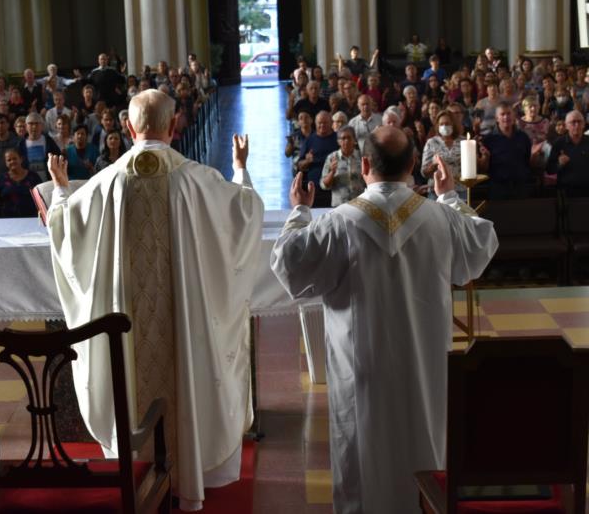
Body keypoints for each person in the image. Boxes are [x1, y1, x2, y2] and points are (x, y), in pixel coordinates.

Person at [46, 89, 263, 511]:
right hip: (184, 334)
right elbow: (244, 214)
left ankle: (138, 470)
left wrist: (58, 191)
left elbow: (66, 230)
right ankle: (187, 475)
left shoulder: (106, 184)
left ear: (128, 128)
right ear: (174, 124)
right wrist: (240, 170)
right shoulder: (196, 179)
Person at [270, 125, 498, 514]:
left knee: (361, 455)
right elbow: (482, 243)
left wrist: (300, 210)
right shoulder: (440, 218)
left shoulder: (340, 222)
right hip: (422, 369)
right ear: (414, 164)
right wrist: (449, 196)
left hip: (362, 374)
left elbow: (288, 263)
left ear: (363, 166)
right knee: (423, 443)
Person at [547, 110, 589, 196]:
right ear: (566, 126)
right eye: (573, 122)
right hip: (566, 192)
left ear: (584, 124)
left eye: (579, 122)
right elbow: (549, 170)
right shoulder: (559, 143)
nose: (577, 125)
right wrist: (559, 164)